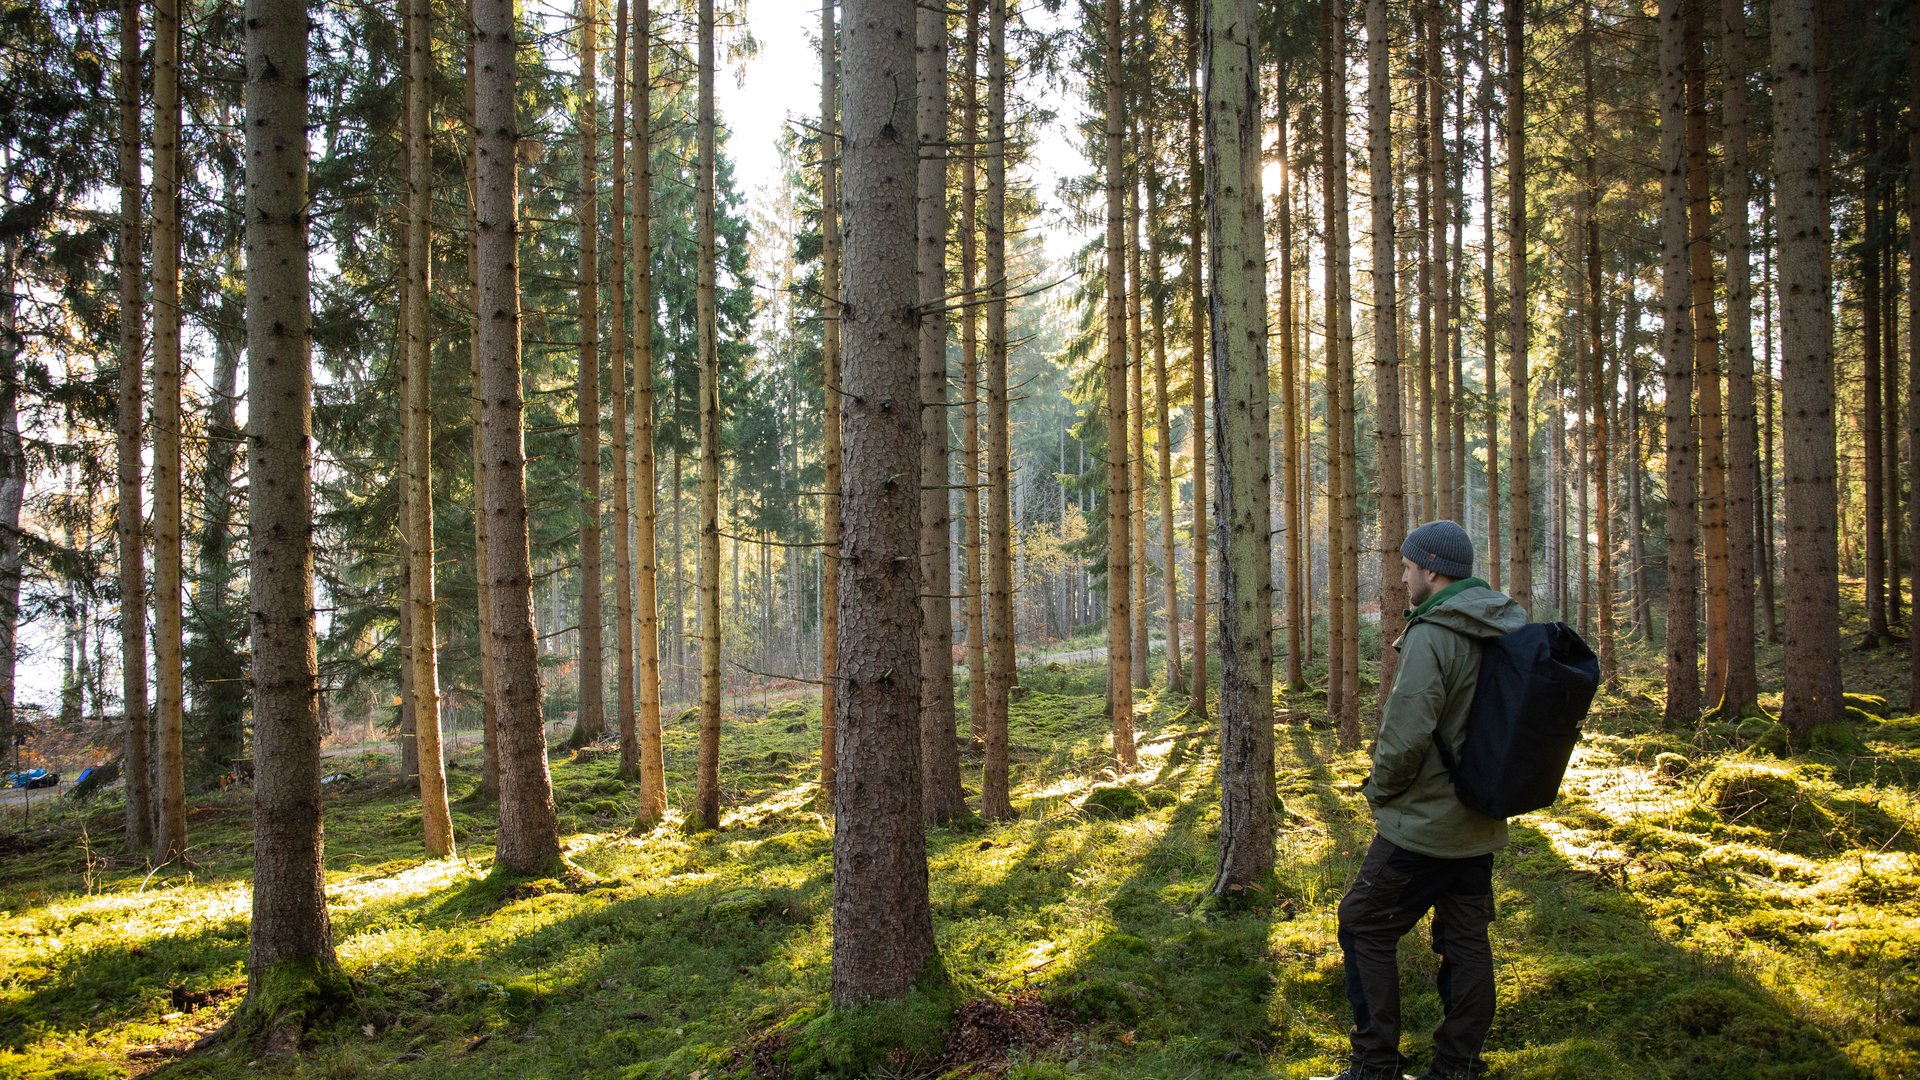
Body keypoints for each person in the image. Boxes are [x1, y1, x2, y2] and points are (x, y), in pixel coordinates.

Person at [1314, 519, 1526, 1080]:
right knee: (1465, 939)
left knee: (1363, 923)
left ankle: (1374, 1066)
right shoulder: (1499, 623)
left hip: (1427, 821)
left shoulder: (1435, 632)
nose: (1403, 577)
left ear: (1432, 570)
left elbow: (1406, 732)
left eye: (1408, 567)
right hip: (1480, 815)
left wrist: (1380, 789)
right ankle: (1457, 1068)